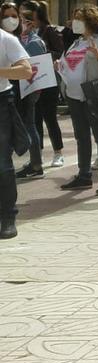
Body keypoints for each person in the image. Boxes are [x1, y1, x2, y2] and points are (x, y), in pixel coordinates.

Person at [58, 4, 98, 195]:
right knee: (81, 137)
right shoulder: (77, 42)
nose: (75, 22)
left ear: (90, 21)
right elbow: (69, 66)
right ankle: (84, 176)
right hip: (74, 97)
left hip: (94, 97)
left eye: (79, 18)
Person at [5, 4, 46, 181]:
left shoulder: (34, 42)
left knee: (29, 124)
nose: (20, 24)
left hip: (28, 88)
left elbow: (28, 64)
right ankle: (35, 163)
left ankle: (36, 164)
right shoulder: (20, 39)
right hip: (21, 87)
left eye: (22, 20)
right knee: (28, 123)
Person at [0, 19, 33, 239]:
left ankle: (8, 217)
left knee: (2, 162)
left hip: (1, 102)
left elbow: (25, 70)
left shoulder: (5, 39)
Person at [23, 1, 64, 168]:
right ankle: (36, 153)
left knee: (50, 117)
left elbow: (60, 51)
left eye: (28, 15)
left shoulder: (49, 31)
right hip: (30, 81)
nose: (24, 19)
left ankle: (58, 152)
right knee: (35, 118)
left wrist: (42, 54)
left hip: (47, 79)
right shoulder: (21, 34)